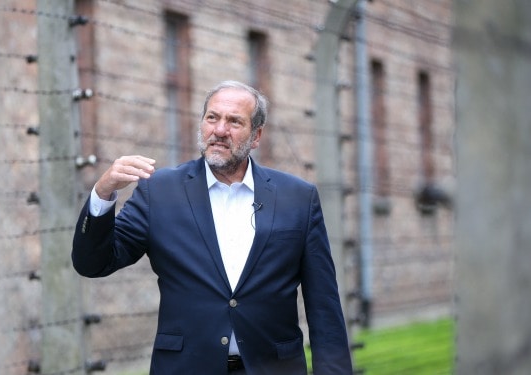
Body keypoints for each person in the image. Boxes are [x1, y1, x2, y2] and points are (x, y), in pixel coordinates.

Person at [72, 81, 353, 374]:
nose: (219, 130)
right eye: (212, 117)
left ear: (256, 136)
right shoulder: (159, 192)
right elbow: (94, 263)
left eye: (234, 121)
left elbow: (324, 306)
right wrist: (102, 194)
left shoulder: (298, 197)